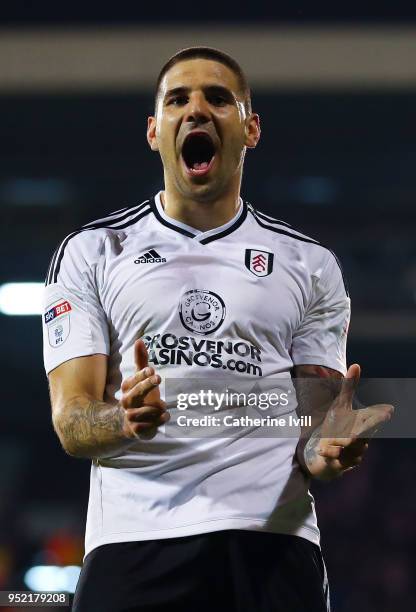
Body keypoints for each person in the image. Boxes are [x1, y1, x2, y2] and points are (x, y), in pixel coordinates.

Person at [42, 47, 393, 612]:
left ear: (251, 128)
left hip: (274, 545)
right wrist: (124, 418)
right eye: (178, 99)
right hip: (136, 544)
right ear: (155, 131)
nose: (197, 109)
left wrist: (324, 451)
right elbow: (71, 421)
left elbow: (312, 431)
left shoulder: (310, 263)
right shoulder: (93, 252)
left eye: (218, 98)